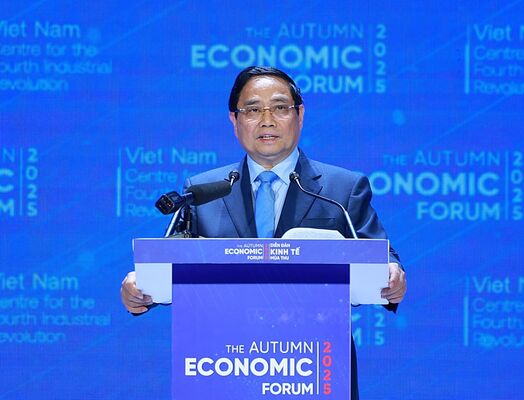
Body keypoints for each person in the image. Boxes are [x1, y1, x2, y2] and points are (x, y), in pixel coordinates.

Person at [121, 66, 406, 399]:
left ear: (300, 115)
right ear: (234, 120)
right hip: (223, 363)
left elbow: (379, 254)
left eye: (280, 107)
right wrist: (138, 290)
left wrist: (392, 273)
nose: (267, 120)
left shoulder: (342, 188)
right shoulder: (203, 191)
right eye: (253, 110)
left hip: (313, 365)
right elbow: (169, 263)